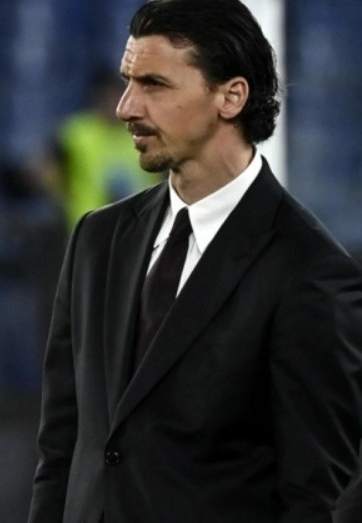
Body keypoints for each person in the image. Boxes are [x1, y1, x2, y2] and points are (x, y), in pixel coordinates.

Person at [27, 1, 362, 522]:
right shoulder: (98, 239)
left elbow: (315, 497)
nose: (125, 107)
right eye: (128, 82)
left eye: (154, 85)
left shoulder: (310, 272)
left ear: (231, 96)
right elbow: (61, 453)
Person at [32, 68, 160, 231]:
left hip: (137, 233)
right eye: (107, 98)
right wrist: (62, 199)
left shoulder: (144, 135)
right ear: (97, 99)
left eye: (117, 97)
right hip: (89, 231)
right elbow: (46, 170)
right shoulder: (77, 133)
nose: (113, 104)